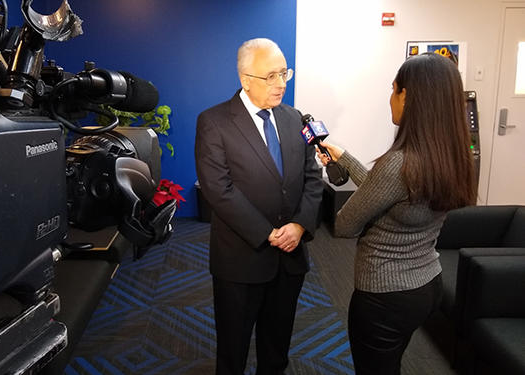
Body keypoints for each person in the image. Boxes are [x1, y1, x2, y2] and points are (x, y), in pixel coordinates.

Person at [317, 52, 477, 375]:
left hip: (385, 296)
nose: (390, 99)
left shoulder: (398, 163)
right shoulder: (451, 157)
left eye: (394, 90)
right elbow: (392, 194)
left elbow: (346, 224)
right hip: (426, 284)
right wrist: (345, 158)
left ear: (410, 96)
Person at [195, 38, 324, 375]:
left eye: (284, 73)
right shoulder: (214, 122)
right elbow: (218, 190)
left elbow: (313, 178)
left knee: (276, 349)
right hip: (241, 261)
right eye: (271, 76)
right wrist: (268, 234)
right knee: (233, 352)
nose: (281, 83)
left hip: (290, 258)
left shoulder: (294, 118)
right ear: (245, 79)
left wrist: (299, 226)